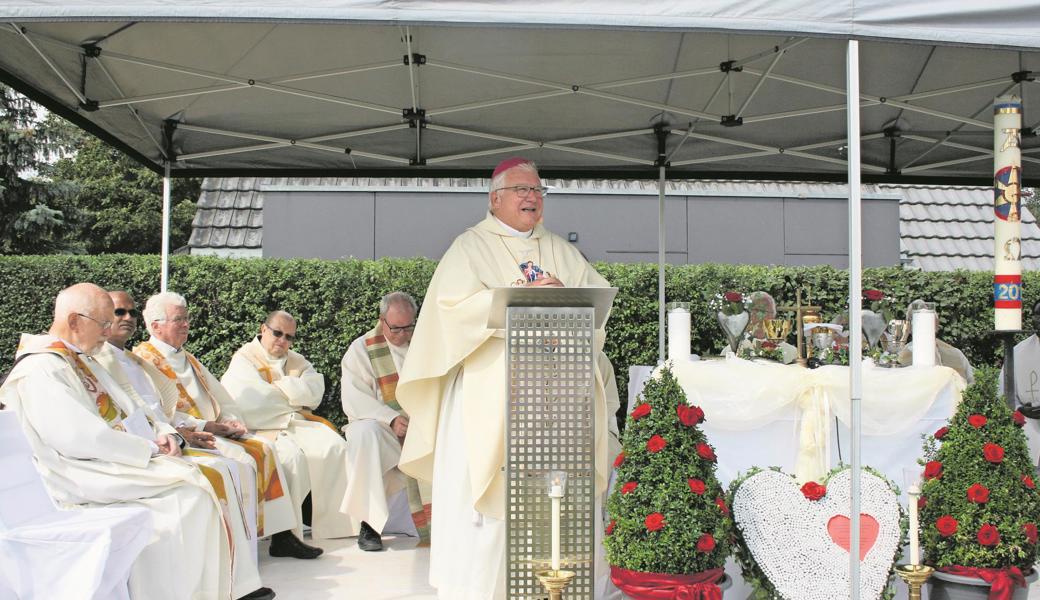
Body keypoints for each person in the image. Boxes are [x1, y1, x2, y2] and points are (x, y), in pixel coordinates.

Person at [396, 158, 621, 599]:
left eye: (538, 191)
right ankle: (484, 588)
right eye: (521, 190)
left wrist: (567, 310)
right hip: (493, 389)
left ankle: (558, 585)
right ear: (494, 197)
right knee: (494, 499)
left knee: (559, 499)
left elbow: (596, 308)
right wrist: (518, 301)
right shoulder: (469, 248)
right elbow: (451, 313)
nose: (531, 198)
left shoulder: (559, 248)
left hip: (559, 389)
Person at [0, 283, 233, 600]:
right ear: (74, 320)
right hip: (75, 473)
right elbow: (78, 438)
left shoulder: (79, 359)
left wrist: (159, 434)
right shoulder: (41, 367)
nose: (108, 332)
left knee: (196, 487)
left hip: (104, 459)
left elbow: (127, 408)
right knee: (188, 497)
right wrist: (148, 448)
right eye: (103, 323)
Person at [93, 290, 274, 600]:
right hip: (136, 453)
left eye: (130, 313)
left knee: (235, 465)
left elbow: (155, 410)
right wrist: (180, 433)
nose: (126, 319)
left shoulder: (132, 360)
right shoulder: (98, 360)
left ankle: (237, 576)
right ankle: (212, 583)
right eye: (118, 312)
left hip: (167, 437)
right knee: (217, 476)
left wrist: (199, 427)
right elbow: (115, 423)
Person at [133, 291, 321, 559]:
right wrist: (207, 425)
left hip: (214, 429)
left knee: (266, 450)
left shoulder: (186, 356)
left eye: (186, 318)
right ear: (155, 326)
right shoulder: (143, 361)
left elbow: (221, 395)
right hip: (191, 435)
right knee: (241, 462)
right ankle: (236, 549)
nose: (186, 324)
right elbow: (160, 413)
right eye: (179, 320)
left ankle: (282, 537)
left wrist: (230, 419)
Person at [221, 310, 354, 540]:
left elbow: (315, 394)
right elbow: (251, 402)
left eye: (289, 337)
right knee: (292, 459)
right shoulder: (244, 358)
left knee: (336, 447)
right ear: (263, 329)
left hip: (297, 424)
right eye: (277, 333)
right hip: (260, 428)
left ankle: (336, 527)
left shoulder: (297, 360)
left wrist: (279, 387)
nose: (283, 341)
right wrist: (294, 395)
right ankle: (286, 536)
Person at [340, 291, 426, 551]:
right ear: (382, 320)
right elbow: (354, 398)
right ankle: (370, 525)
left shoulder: (424, 345)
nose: (402, 335)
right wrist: (390, 419)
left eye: (408, 327)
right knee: (364, 435)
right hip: (382, 428)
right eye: (396, 328)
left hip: (421, 428)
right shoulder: (361, 349)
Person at [897, 299, 975, 384]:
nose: (925, 326)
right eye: (921, 321)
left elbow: (972, 383)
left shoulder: (956, 354)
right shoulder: (902, 356)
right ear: (910, 327)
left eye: (928, 321)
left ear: (936, 324)